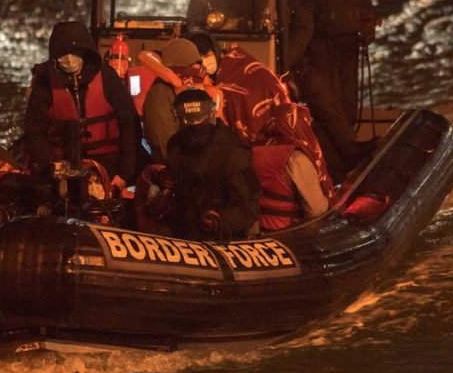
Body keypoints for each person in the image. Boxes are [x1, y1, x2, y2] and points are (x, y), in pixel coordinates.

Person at [285, 0, 381, 181]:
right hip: (317, 50)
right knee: (327, 109)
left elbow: (364, 4)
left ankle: (344, 164)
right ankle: (342, 160)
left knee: (348, 107)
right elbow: (301, 16)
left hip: (347, 49)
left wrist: (368, 24)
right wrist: (292, 61)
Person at [23, 20, 138, 192]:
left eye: (74, 52)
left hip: (107, 169)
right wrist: (51, 165)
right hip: (60, 170)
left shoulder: (107, 78)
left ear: (86, 53)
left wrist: (122, 175)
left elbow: (130, 125)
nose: (69, 58)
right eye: (63, 53)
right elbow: (33, 132)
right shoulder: (45, 83)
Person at [164, 88, 261, 240]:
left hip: (220, 241)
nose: (195, 126)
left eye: (199, 120)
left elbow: (248, 207)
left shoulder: (232, 151)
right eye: (189, 121)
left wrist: (219, 220)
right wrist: (161, 192)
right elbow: (175, 189)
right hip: (180, 235)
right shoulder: (175, 145)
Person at [185, 30, 290, 142]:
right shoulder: (209, 82)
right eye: (200, 58)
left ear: (216, 51)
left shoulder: (237, 64)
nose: (205, 61)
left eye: (207, 55)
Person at [252, 103, 333, 231]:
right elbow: (316, 210)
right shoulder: (296, 159)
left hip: (258, 235)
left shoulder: (254, 151)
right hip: (289, 235)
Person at [140, 38, 207, 162]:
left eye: (198, 64)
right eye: (192, 65)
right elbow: (165, 143)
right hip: (172, 171)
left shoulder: (193, 91)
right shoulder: (160, 93)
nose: (198, 69)